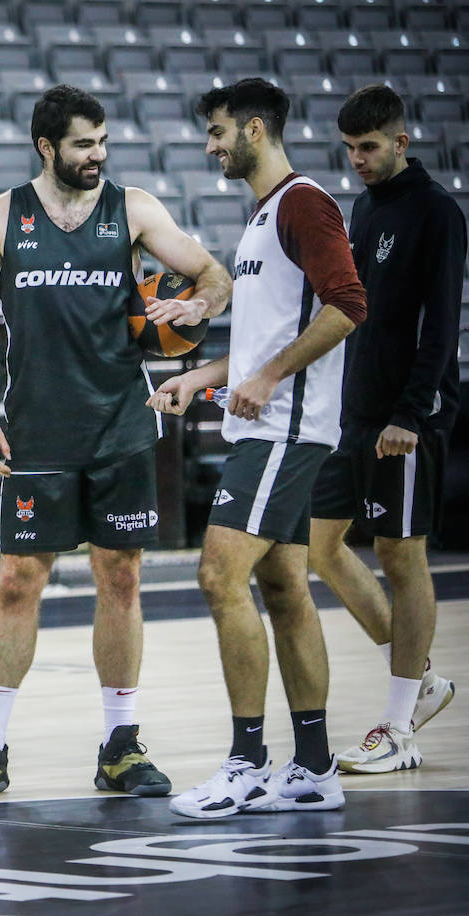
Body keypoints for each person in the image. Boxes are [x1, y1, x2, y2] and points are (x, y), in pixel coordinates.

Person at [0, 84, 232, 802]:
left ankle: (121, 744)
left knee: (120, 579)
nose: (97, 156)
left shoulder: (132, 209)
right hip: (35, 429)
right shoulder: (2, 216)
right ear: (47, 147)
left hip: (121, 428)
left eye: (103, 143)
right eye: (82, 145)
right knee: (16, 582)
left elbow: (213, 272)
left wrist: (196, 303)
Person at [153, 78, 367, 818]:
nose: (209, 146)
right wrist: (200, 378)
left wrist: (273, 375)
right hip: (267, 424)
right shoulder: (262, 216)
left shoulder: (306, 202)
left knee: (219, 576)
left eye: (216, 132)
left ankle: (247, 762)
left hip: (286, 429)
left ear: (253, 128)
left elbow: (348, 304)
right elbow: (260, 341)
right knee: (282, 587)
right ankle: (312, 768)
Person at [307, 85, 462, 773]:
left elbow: (441, 322)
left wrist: (410, 412)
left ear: (401, 141)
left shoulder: (436, 212)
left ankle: (398, 729)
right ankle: (422, 680)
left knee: (403, 558)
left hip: (406, 416)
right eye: (349, 150)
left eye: (368, 148)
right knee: (323, 547)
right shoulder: (363, 209)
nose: (357, 161)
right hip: (356, 411)